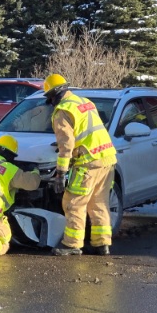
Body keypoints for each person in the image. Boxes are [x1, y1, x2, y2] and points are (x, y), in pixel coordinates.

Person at [43, 73, 117, 256]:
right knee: (99, 203)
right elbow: (85, 131)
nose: (50, 103)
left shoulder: (62, 111)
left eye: (50, 99)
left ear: (54, 95)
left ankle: (72, 244)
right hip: (107, 158)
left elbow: (66, 146)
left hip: (87, 163)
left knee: (73, 203)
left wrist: (61, 174)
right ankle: (102, 244)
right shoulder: (84, 102)